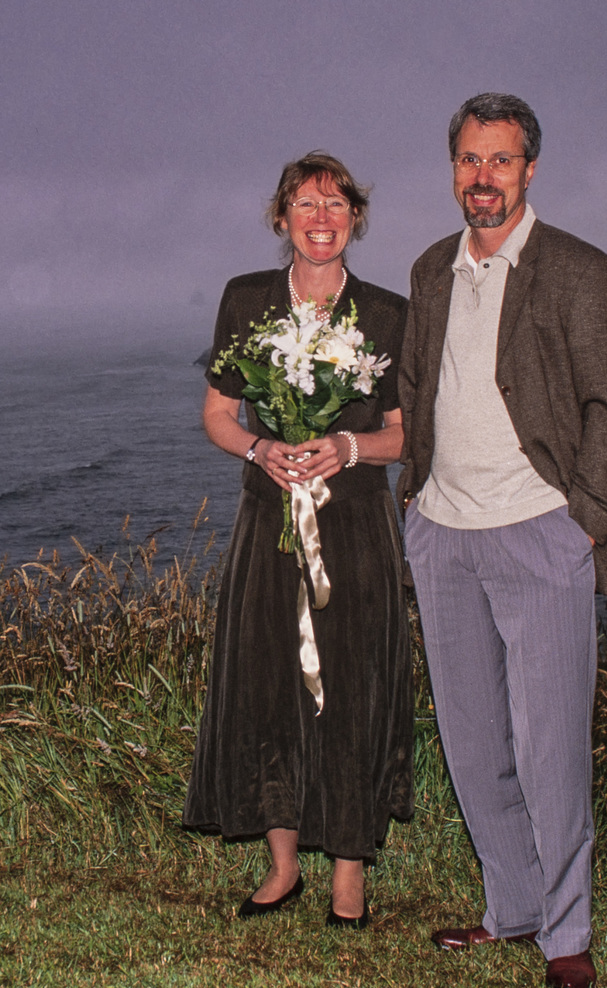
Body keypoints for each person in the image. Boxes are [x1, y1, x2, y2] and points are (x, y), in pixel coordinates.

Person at [398, 94, 607, 988]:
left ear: (529, 168)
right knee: (471, 741)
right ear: (453, 167)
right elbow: (419, 389)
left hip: (541, 535)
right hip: (443, 536)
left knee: (551, 747)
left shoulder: (580, 270)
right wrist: (412, 504)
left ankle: (566, 929)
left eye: (500, 161)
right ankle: (513, 909)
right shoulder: (432, 270)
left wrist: (583, 522)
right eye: (469, 160)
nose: (483, 179)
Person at [183, 152, 413, 928]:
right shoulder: (245, 300)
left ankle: (349, 875)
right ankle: (283, 868)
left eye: (336, 205)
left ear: (355, 219)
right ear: (282, 218)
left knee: (353, 688)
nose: (322, 218)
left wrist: (347, 449)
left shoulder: (387, 314)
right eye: (305, 205)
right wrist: (261, 449)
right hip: (267, 524)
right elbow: (219, 413)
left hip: (354, 529)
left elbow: (407, 433)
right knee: (268, 684)